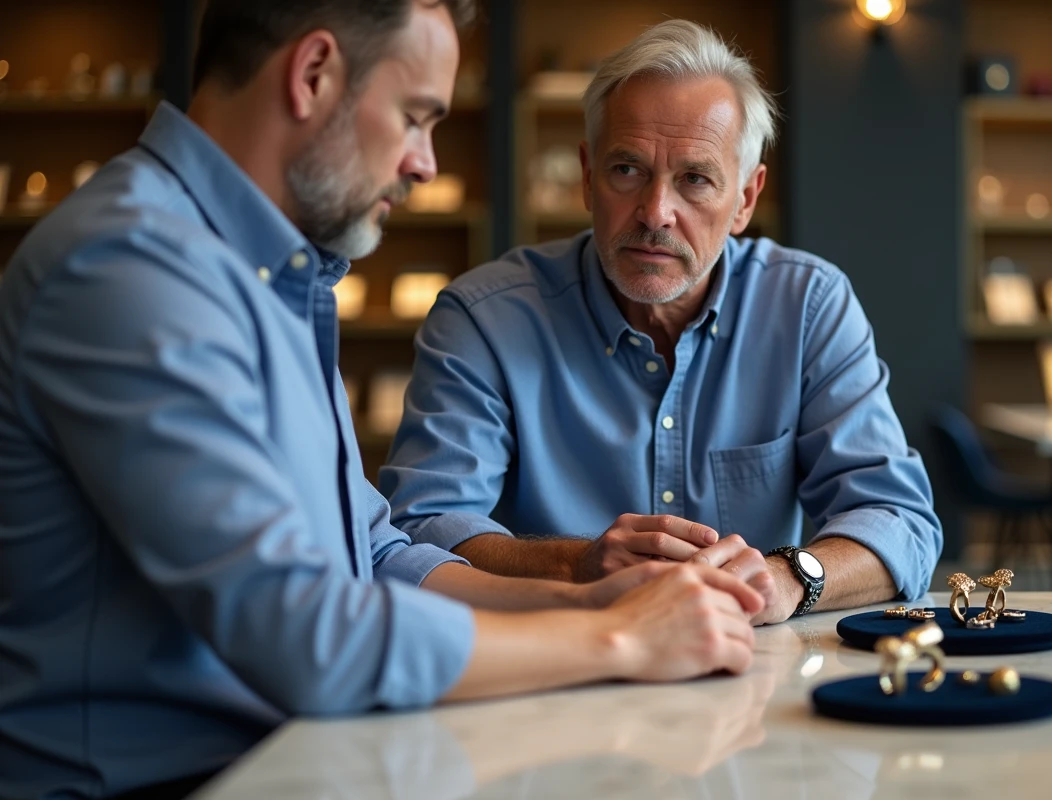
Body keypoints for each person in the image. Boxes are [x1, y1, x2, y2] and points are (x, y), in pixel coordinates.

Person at [0, 3, 765, 798]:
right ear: (314, 76)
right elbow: (302, 633)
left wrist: (588, 592)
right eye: (415, 117)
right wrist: (617, 638)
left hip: (293, 761)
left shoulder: (273, 276)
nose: (425, 163)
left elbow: (374, 554)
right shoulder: (130, 266)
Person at [383, 19, 943, 626]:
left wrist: (790, 576)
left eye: (695, 179)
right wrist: (575, 566)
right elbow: (421, 528)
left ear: (745, 201)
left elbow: (899, 521)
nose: (656, 213)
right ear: (588, 177)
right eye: (628, 170)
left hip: (750, 673)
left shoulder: (807, 306)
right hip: (549, 665)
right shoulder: (484, 318)